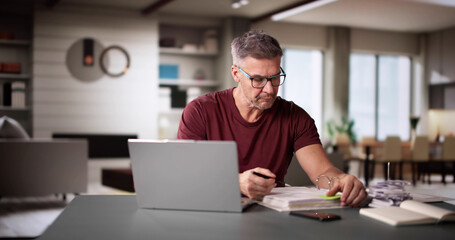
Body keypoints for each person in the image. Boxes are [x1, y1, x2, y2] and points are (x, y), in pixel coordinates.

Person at [178, 30, 367, 207]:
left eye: (275, 78)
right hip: (212, 208)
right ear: (236, 74)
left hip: (273, 213)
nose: (269, 89)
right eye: (258, 80)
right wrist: (235, 182)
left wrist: (340, 181)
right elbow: (186, 174)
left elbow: (322, 173)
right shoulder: (200, 111)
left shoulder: (295, 117)